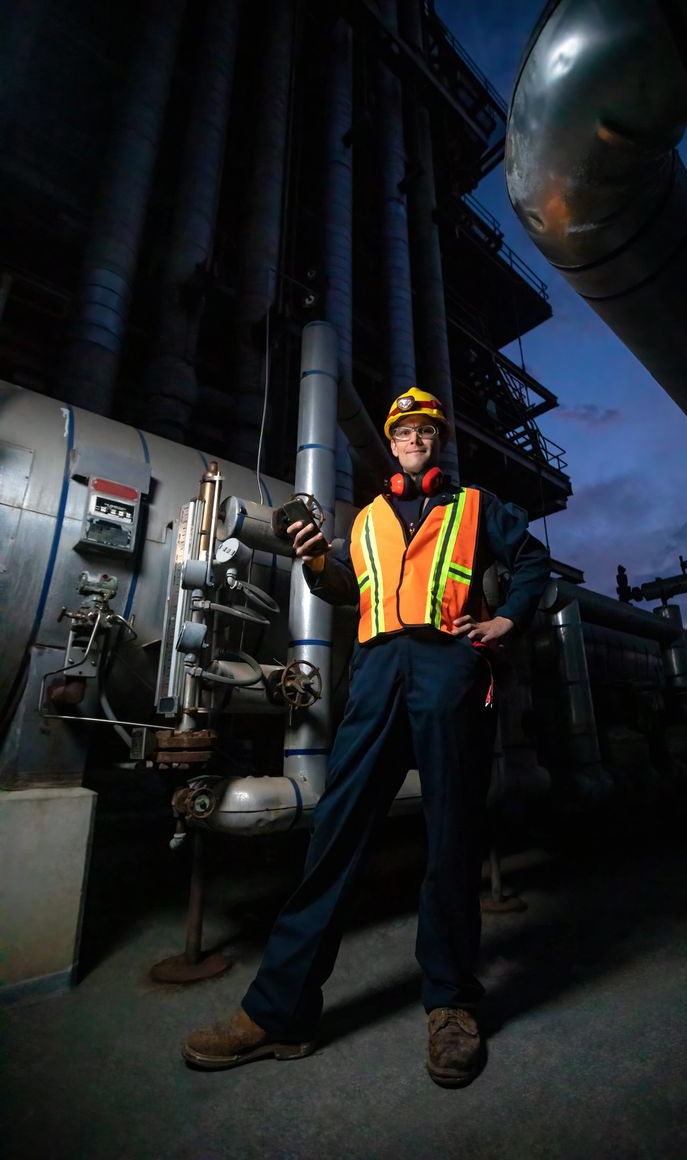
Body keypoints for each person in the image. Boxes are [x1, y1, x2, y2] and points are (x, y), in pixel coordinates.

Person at [183, 387, 550, 1087]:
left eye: (426, 430)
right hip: (377, 670)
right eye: (404, 430)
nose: (415, 438)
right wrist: (316, 561)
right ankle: (281, 1013)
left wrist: (506, 620)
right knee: (336, 833)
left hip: (449, 666)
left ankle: (451, 1004)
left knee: (451, 838)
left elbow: (532, 561)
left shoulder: (476, 506)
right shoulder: (368, 519)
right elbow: (346, 589)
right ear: (392, 440)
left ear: (438, 441)